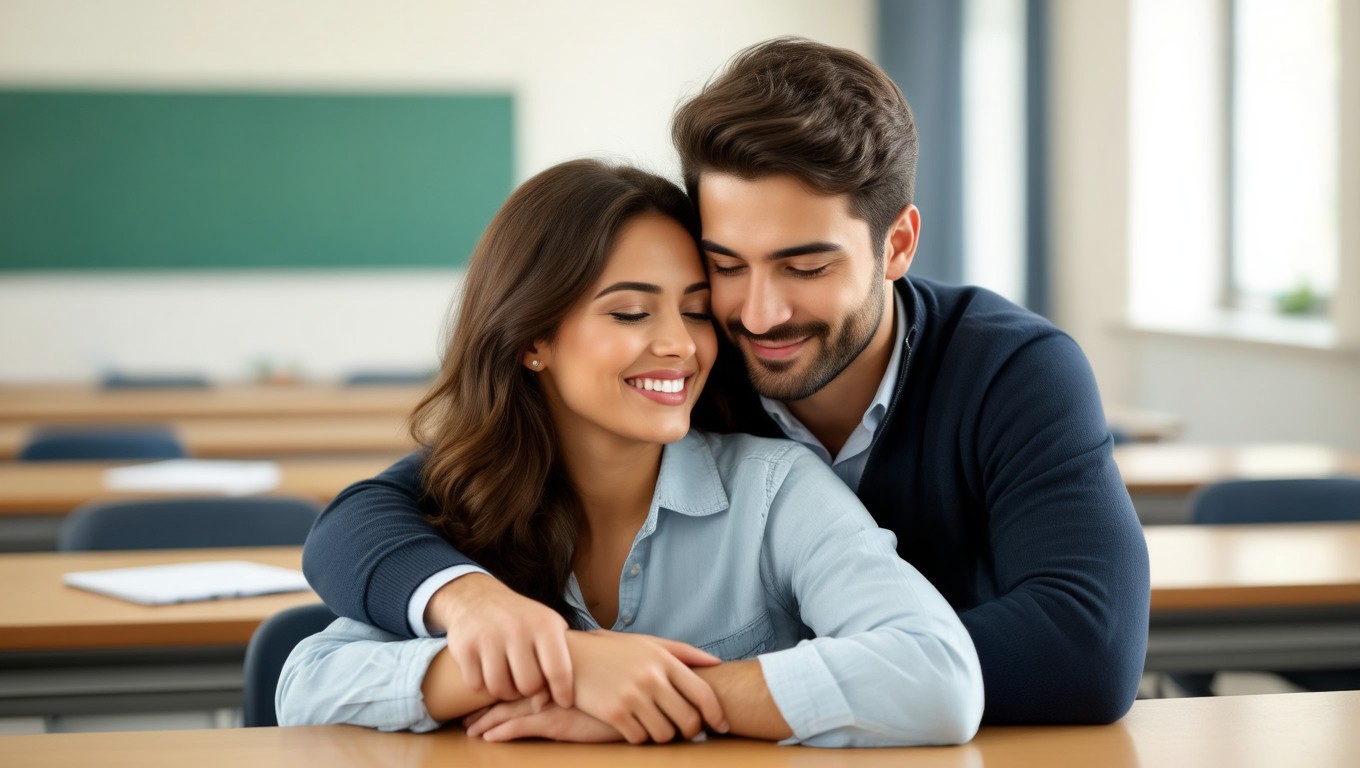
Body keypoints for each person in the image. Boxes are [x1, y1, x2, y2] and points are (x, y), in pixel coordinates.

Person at [302, 38, 1150, 727]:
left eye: (805, 266)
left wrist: (661, 694)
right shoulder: (685, 377)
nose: (759, 313)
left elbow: (1085, 648)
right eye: (726, 268)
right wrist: (479, 607)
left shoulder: (1009, 372)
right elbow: (370, 520)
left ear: (896, 245)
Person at [277, 159, 984, 746]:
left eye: (697, 310)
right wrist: (566, 665)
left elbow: (939, 675)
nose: (680, 343)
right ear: (532, 339)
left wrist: (662, 696)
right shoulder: (465, 504)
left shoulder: (776, 491)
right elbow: (307, 687)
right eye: (630, 312)